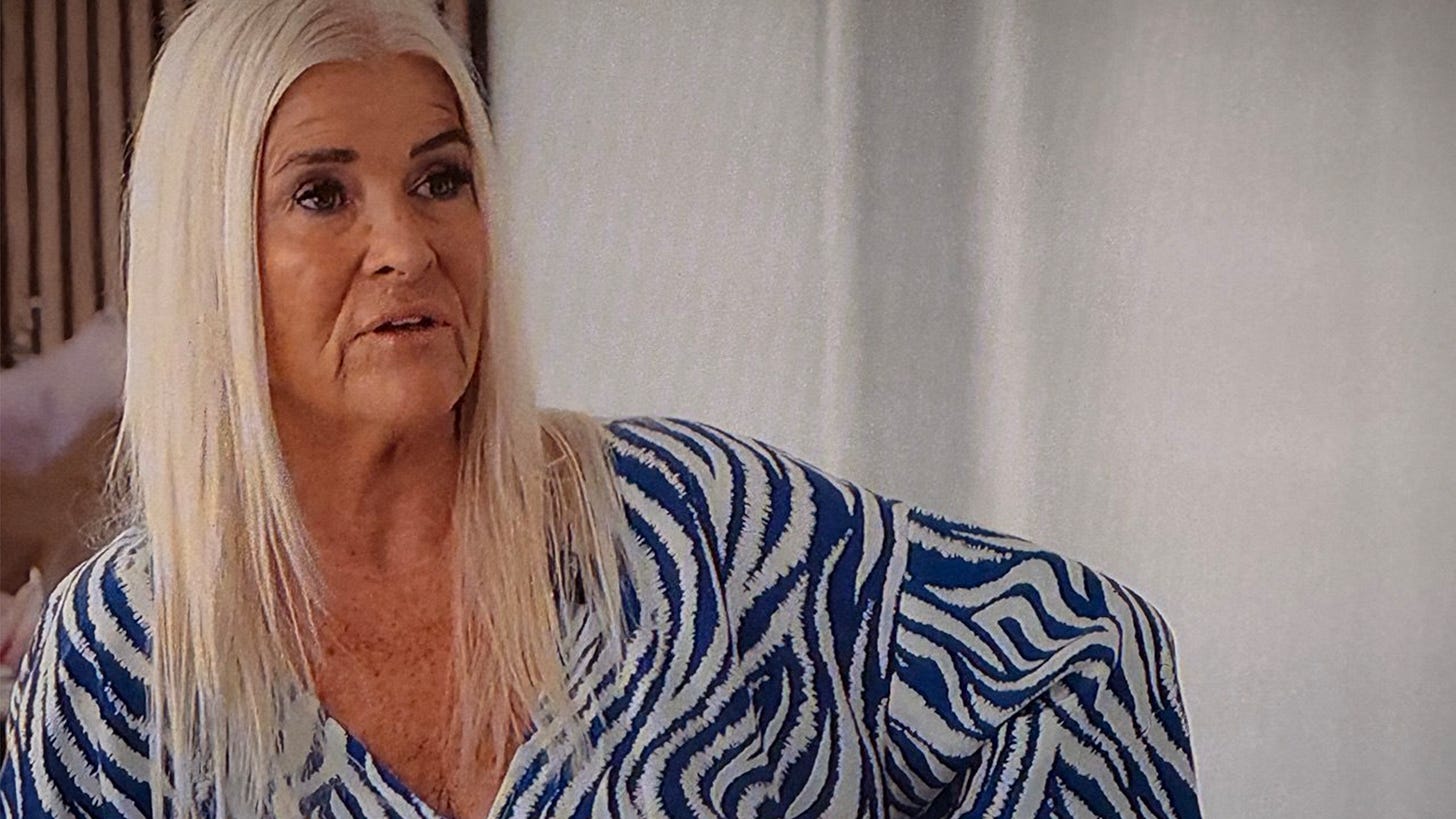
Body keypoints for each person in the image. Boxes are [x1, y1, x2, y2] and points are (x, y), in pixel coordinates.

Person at [0, 0, 1202, 816]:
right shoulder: (123, 655)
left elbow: (1079, 656)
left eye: (440, 178)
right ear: (210, 259)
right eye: (322, 194)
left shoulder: (688, 529)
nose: (406, 246)